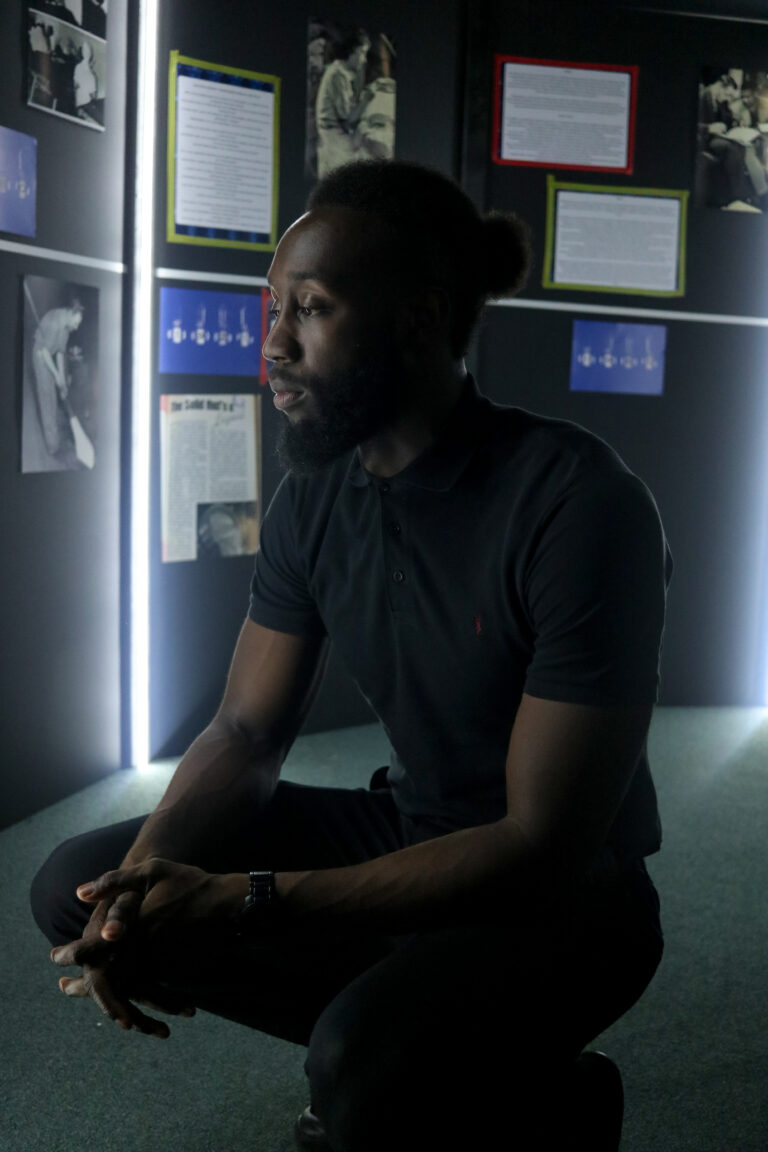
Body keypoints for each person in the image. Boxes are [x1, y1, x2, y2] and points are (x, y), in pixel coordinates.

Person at [32, 160, 671, 1152]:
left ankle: (502, 1081)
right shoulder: (319, 497)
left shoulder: (580, 506)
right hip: (409, 828)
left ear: (418, 318)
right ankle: (488, 1070)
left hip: (568, 895)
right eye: (271, 310)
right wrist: (141, 892)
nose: (274, 345)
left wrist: (246, 900)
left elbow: (540, 845)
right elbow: (246, 731)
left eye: (313, 310)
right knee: (78, 884)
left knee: (356, 1070)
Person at [698, 71, 767, 209]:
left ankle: (756, 190)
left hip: (721, 136)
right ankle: (740, 194)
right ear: (720, 86)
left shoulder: (721, 100)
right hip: (707, 139)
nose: (727, 98)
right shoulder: (703, 96)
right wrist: (710, 127)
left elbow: (727, 120)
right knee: (733, 149)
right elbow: (693, 124)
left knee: (745, 145)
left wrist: (735, 119)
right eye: (727, 94)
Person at [31, 298, 83, 461]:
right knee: (47, 399)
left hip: (49, 355)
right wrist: (55, 375)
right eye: (76, 322)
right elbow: (45, 353)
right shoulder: (55, 321)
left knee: (53, 397)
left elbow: (59, 354)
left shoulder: (66, 329)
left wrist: (61, 380)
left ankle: (54, 439)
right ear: (71, 313)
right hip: (40, 355)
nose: (77, 327)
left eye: (78, 324)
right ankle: (52, 447)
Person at [314, 31, 372, 177]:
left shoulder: (341, 75)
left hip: (336, 135)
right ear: (351, 53)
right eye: (362, 53)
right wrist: (366, 100)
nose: (363, 59)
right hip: (333, 138)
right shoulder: (337, 76)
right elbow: (349, 120)